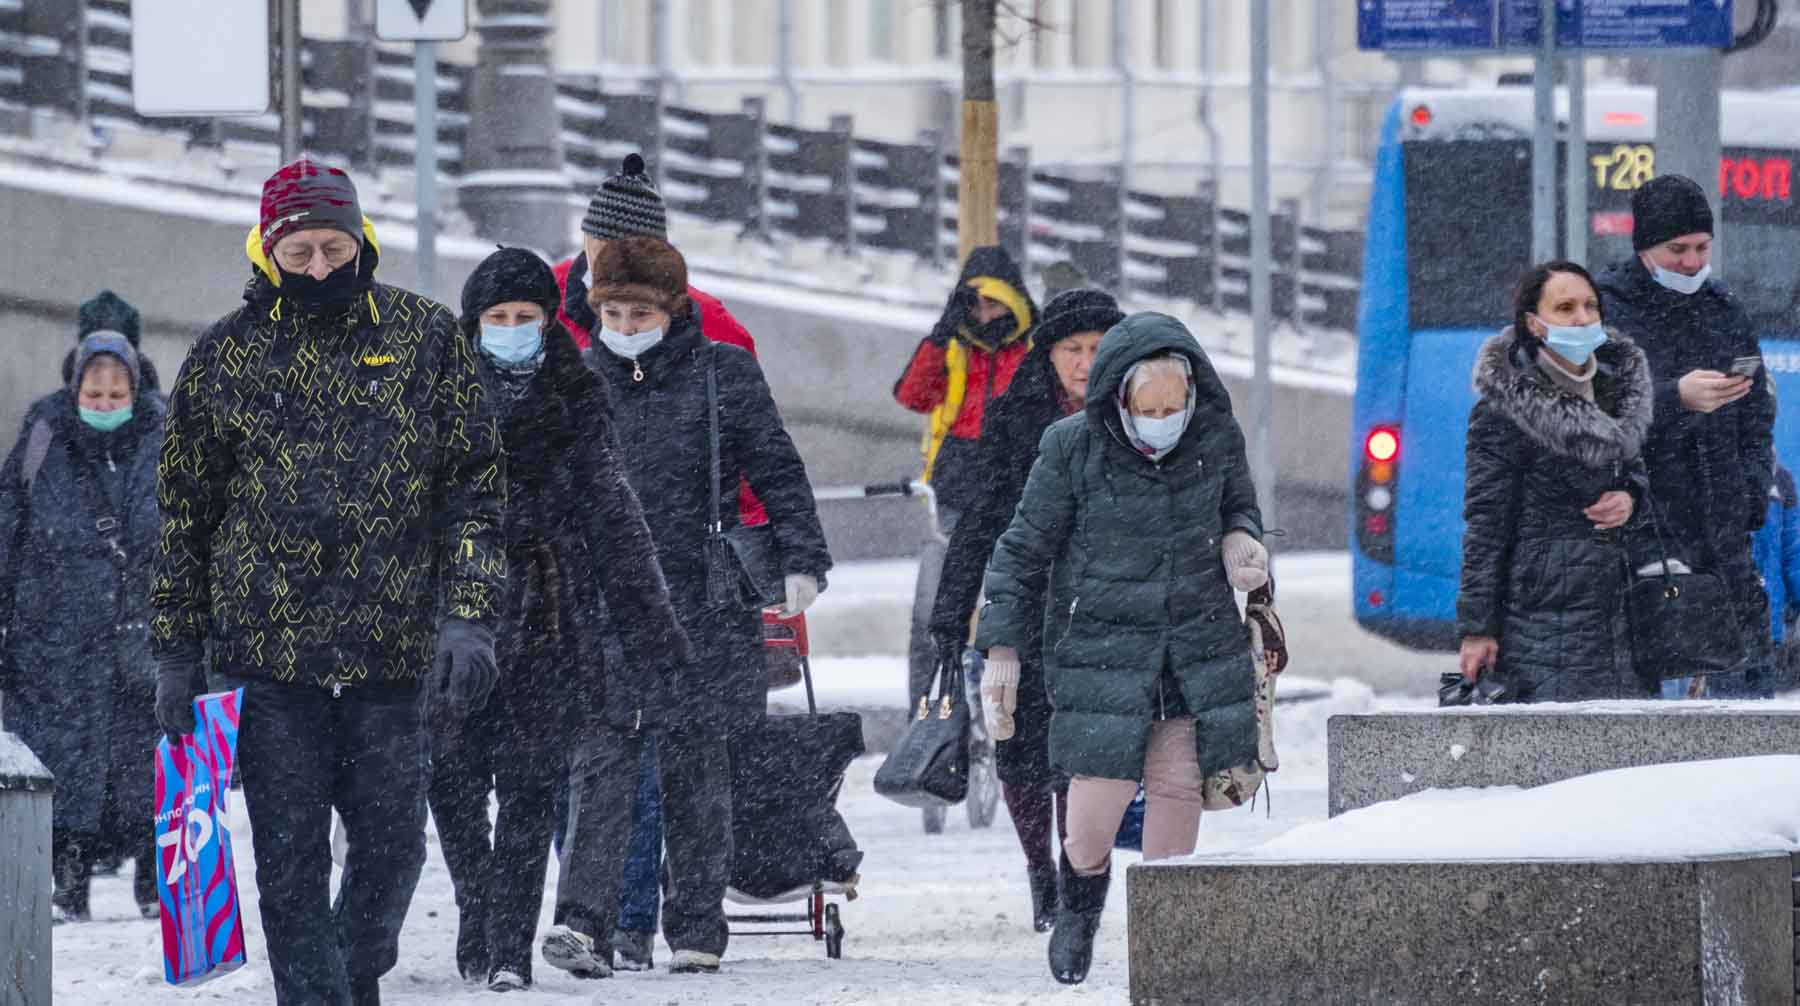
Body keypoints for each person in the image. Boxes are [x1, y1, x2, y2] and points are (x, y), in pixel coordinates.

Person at [151, 156, 505, 1006]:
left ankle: (348, 978)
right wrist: (174, 651)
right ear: (268, 252)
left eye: (333, 248)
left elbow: (476, 489)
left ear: (362, 241)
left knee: (392, 850)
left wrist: (470, 615)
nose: (318, 268)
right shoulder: (223, 356)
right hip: (268, 661)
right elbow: (183, 516)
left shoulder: (425, 339)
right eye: (299, 252)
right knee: (291, 861)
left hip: (393, 652)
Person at [542, 236, 831, 979]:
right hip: (607, 598)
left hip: (702, 596)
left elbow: (775, 464)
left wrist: (802, 558)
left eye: (640, 311)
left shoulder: (721, 375)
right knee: (600, 764)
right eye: (611, 310)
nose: (625, 323)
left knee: (698, 764)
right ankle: (583, 923)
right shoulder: (572, 379)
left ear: (673, 309)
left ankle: (697, 925)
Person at [972, 313, 1271, 985]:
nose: (1164, 419)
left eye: (1175, 406)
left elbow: (1239, 509)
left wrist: (1241, 540)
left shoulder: (1215, 438)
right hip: (1101, 648)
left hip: (1192, 647)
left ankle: (1166, 941)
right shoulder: (1071, 446)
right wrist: (1002, 648)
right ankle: (1080, 904)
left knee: (1174, 789)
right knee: (1091, 813)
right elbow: (1022, 551)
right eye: (1149, 407)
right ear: (1118, 397)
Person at [427, 248, 687, 992]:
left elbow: (615, 518)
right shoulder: (439, 395)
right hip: (455, 616)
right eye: (497, 319)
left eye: (525, 318)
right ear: (475, 325)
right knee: (450, 780)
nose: (511, 330)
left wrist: (653, 628)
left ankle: (509, 945)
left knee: (528, 786)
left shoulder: (576, 398)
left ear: (548, 323)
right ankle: (476, 903)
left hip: (547, 617)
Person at [552, 153, 765, 966]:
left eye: (633, 242)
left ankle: (645, 922)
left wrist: (742, 555)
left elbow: (746, 449)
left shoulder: (711, 327)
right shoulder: (549, 312)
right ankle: (599, 917)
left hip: (687, 576)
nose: (615, 257)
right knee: (599, 762)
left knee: (672, 760)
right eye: (605, 239)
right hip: (593, 578)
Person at [927, 288, 1124, 932]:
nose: (1086, 363)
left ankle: (1076, 873)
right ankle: (1042, 875)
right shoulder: (1019, 416)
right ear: (1050, 355)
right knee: (1021, 748)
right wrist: (952, 609)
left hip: (1105, 609)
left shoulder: (1142, 409)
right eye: (1073, 349)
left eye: (1098, 349)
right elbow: (984, 514)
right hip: (1028, 606)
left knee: (1084, 751)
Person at [0, 333, 165, 923]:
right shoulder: (43, 439)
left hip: (143, 634)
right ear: (75, 391)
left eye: (116, 392)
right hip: (55, 636)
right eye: (94, 393)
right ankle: (68, 884)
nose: (104, 402)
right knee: (63, 759)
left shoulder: (166, 440)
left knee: (145, 760)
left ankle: (154, 880)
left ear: (135, 388)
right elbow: (8, 530)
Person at [1595, 174, 1777, 695]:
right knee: (1663, 700)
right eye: (1678, 250)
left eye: (1702, 247)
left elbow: (1756, 416)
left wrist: (1748, 494)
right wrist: (1675, 397)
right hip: (1649, 535)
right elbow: (1601, 412)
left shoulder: (1725, 309)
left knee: (1742, 703)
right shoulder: (1606, 310)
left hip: (1724, 536)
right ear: (1645, 247)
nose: (1693, 262)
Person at [1456, 262, 1654, 701]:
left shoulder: (1619, 394)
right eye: (1565, 308)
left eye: (1590, 306)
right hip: (1544, 614)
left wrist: (1631, 497)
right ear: (1535, 324)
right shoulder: (1504, 410)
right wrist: (1477, 627)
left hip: (1623, 611)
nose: (1582, 318)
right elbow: (1486, 524)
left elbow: (1639, 475)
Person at [893, 245, 1038, 750]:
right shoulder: (954, 347)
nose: (985, 316)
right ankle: (927, 720)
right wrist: (941, 333)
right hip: (955, 493)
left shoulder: (1036, 351)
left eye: (995, 305)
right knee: (931, 613)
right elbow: (913, 395)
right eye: (974, 305)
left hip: (1016, 490)